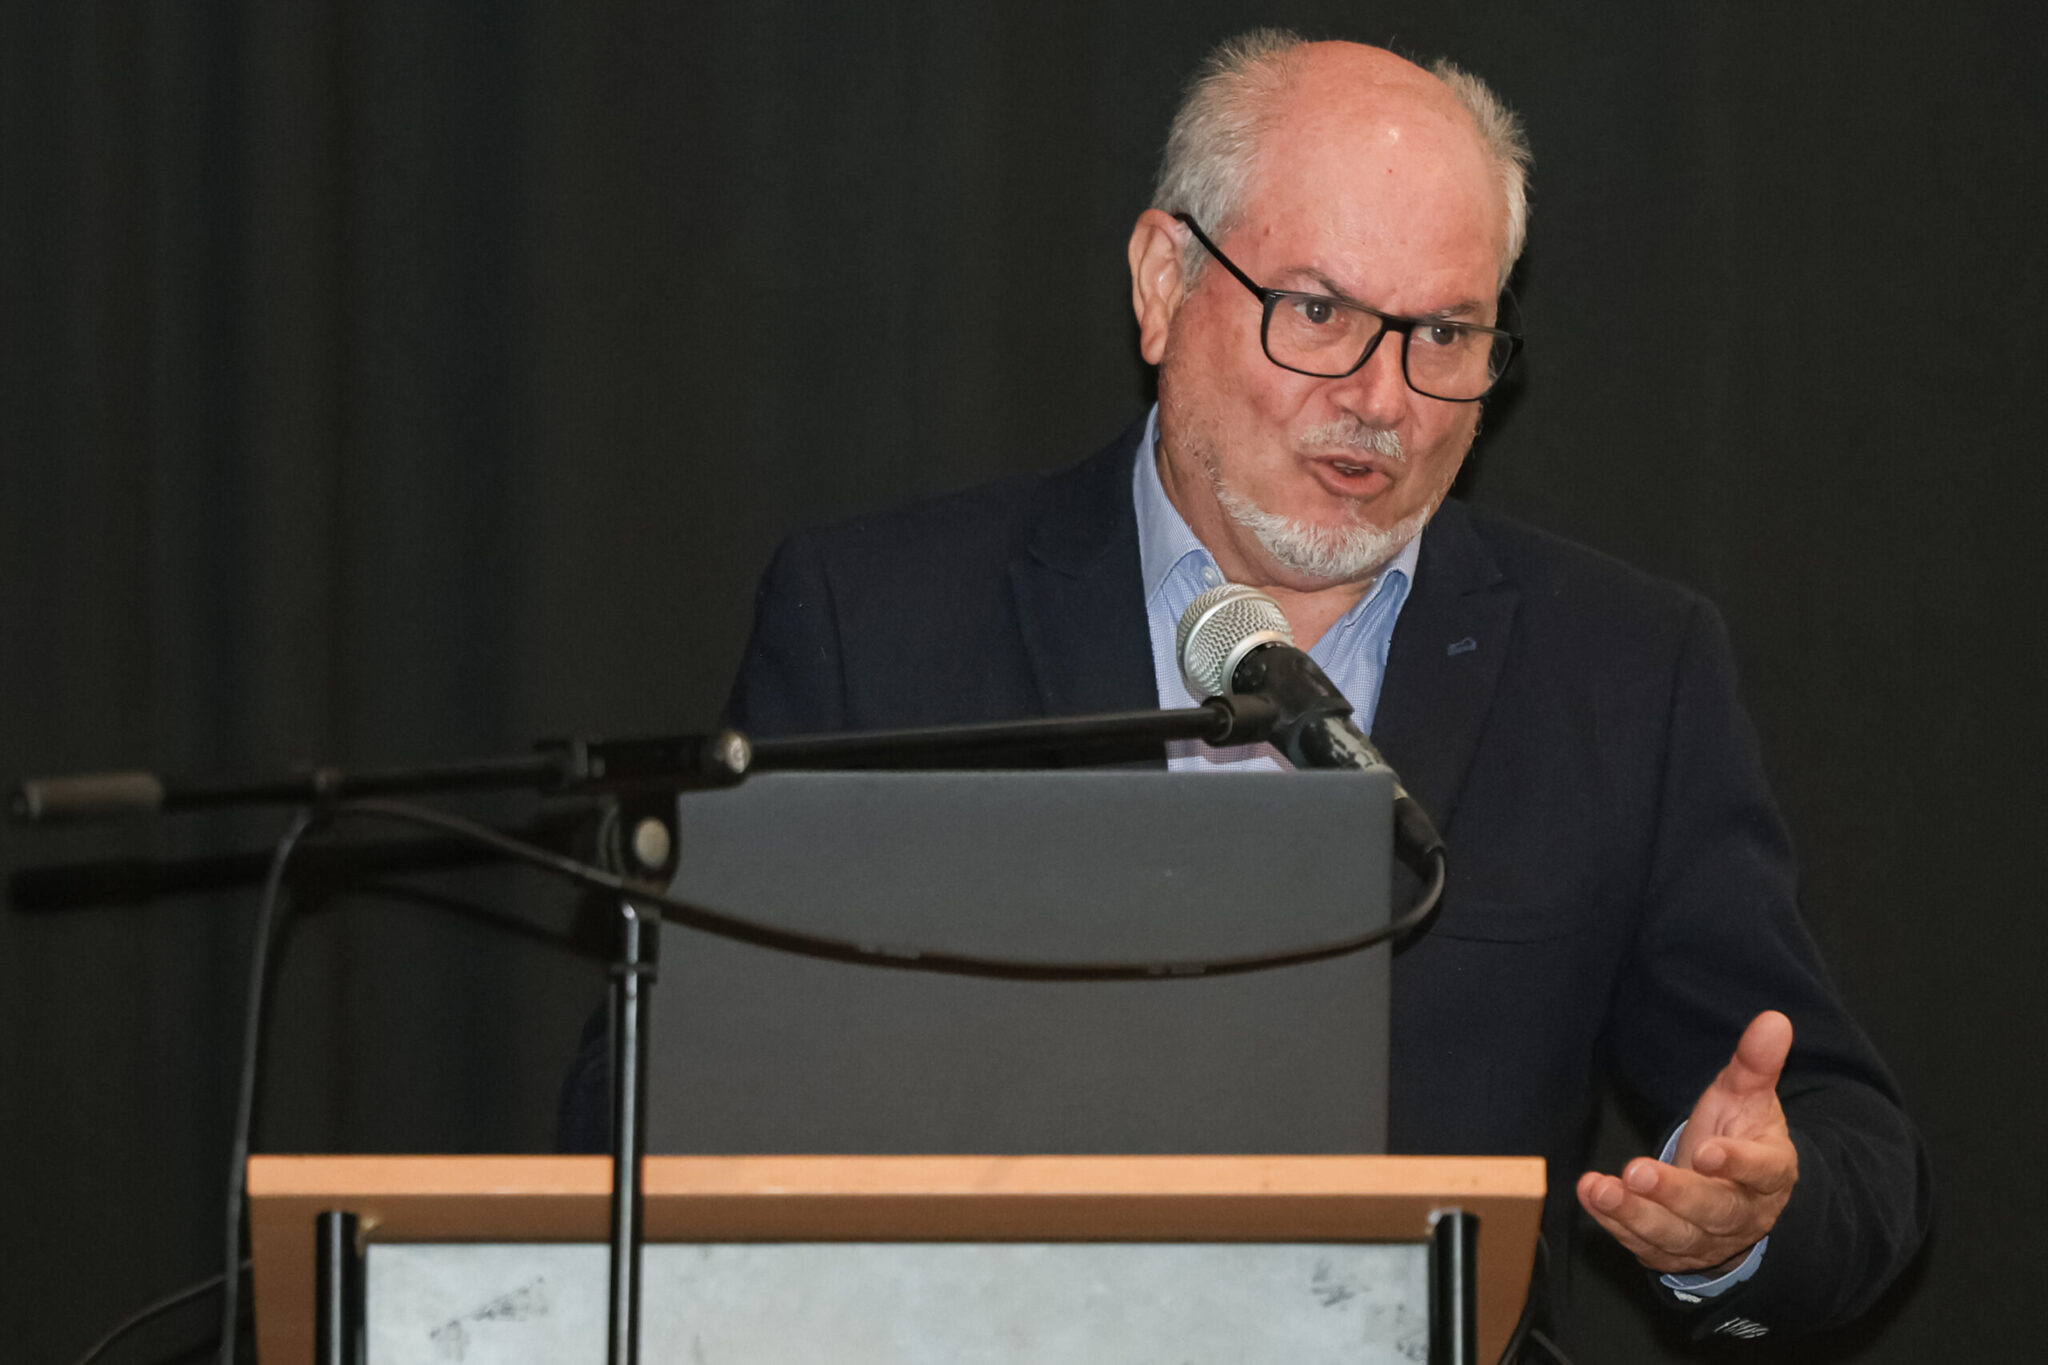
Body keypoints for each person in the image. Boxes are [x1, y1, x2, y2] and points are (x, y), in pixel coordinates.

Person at [710, 32, 1930, 1347]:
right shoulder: (881, 626)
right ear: (1163, 282)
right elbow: (665, 1097)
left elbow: (1851, 1152)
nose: (1380, 396)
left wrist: (1746, 1221)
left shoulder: (1623, 673)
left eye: (1444, 333)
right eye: (1321, 312)